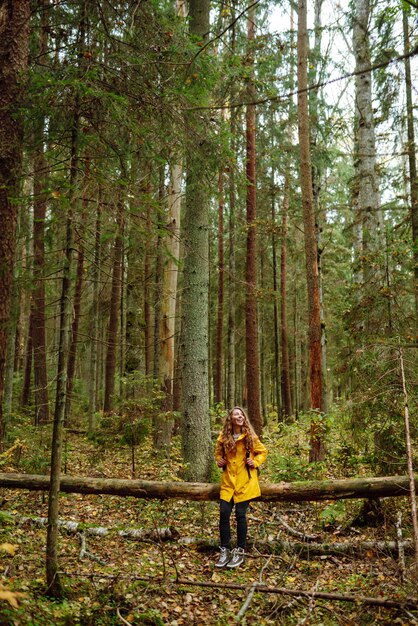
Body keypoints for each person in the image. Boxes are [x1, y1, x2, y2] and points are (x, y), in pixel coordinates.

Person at [214, 406, 268, 568]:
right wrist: (219, 461)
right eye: (236, 414)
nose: (240, 416)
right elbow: (218, 454)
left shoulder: (250, 436)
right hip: (228, 482)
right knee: (224, 513)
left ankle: (240, 550)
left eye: (241, 414)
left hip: (246, 482)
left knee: (240, 514)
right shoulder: (223, 437)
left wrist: (255, 462)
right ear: (230, 419)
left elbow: (263, 452)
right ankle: (224, 550)